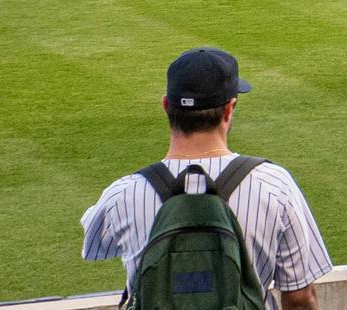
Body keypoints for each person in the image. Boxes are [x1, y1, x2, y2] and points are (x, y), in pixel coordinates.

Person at [81, 48, 329, 309]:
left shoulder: (122, 195)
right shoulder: (275, 185)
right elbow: (300, 299)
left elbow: (94, 246)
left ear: (166, 106)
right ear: (229, 109)